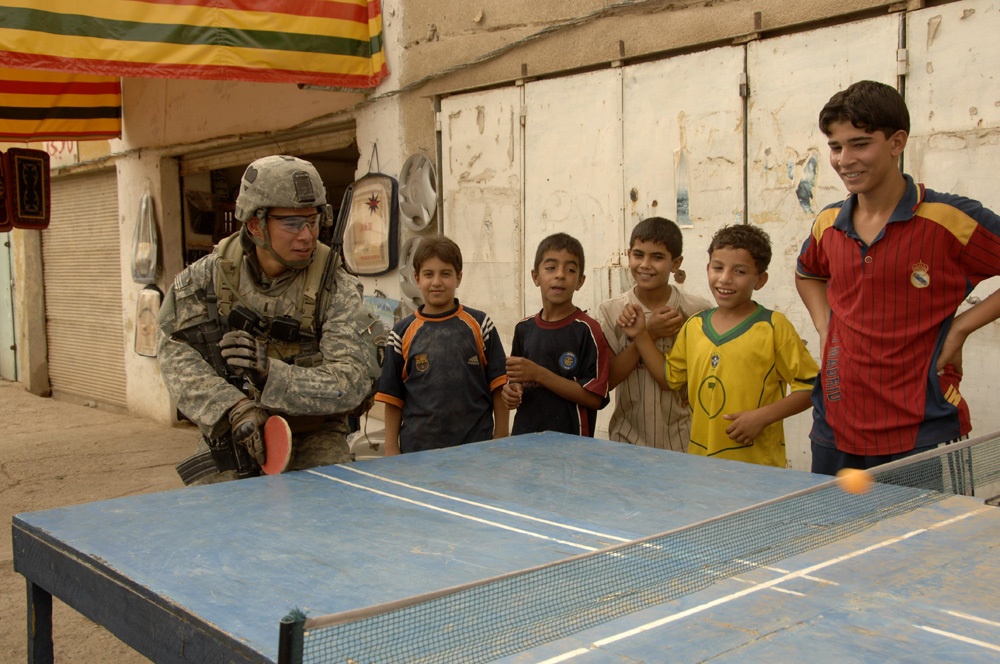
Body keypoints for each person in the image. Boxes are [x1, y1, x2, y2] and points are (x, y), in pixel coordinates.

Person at [796, 80, 1000, 475]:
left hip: (923, 429)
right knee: (836, 536)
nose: (844, 159)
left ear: (897, 142)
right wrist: (825, 328)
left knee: (926, 539)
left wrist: (960, 329)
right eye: (836, 147)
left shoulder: (949, 218)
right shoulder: (828, 223)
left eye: (860, 143)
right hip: (835, 427)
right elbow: (808, 274)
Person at [158, 155, 378, 484]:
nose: (307, 235)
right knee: (207, 516)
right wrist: (232, 407)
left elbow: (351, 381)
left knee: (330, 507)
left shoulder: (335, 286)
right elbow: (173, 348)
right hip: (234, 427)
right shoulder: (210, 275)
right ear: (255, 225)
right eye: (292, 223)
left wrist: (271, 374)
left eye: (314, 220)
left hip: (312, 433)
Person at [623, 224, 818, 468]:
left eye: (740, 271)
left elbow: (811, 387)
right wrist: (641, 336)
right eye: (718, 268)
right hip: (701, 466)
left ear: (760, 280)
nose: (725, 279)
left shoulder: (774, 327)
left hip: (757, 468)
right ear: (708, 269)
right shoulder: (694, 325)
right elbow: (668, 378)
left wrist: (762, 417)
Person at [374, 235, 509, 455]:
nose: (436, 282)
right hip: (418, 452)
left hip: (477, 448)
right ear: (417, 278)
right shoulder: (401, 332)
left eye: (445, 274)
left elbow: (499, 385)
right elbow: (393, 397)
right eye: (429, 274)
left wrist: (501, 436)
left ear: (459, 278)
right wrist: (391, 448)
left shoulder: (480, 324)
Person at [597, 217, 712, 451]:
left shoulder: (697, 311)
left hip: (684, 440)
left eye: (657, 257)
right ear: (629, 255)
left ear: (675, 263)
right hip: (627, 440)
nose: (645, 264)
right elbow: (606, 381)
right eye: (638, 255)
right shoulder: (612, 312)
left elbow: (710, 374)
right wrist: (649, 332)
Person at [502, 232, 611, 437]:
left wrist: (538, 374)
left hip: (571, 446)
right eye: (551, 268)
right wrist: (512, 392)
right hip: (525, 439)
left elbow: (595, 398)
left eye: (570, 269)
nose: (560, 275)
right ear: (536, 277)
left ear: (580, 281)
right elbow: (516, 380)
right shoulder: (524, 329)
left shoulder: (587, 330)